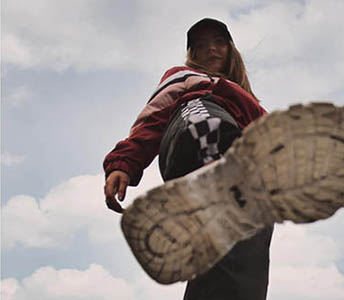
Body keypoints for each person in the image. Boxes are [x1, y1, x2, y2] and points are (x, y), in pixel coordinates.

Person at [104, 18, 273, 300]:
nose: (212, 49)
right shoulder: (183, 77)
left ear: (230, 49)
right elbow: (151, 119)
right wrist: (124, 163)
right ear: (192, 54)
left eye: (219, 42)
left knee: (242, 252)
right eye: (201, 45)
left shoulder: (250, 103)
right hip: (195, 126)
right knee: (210, 123)